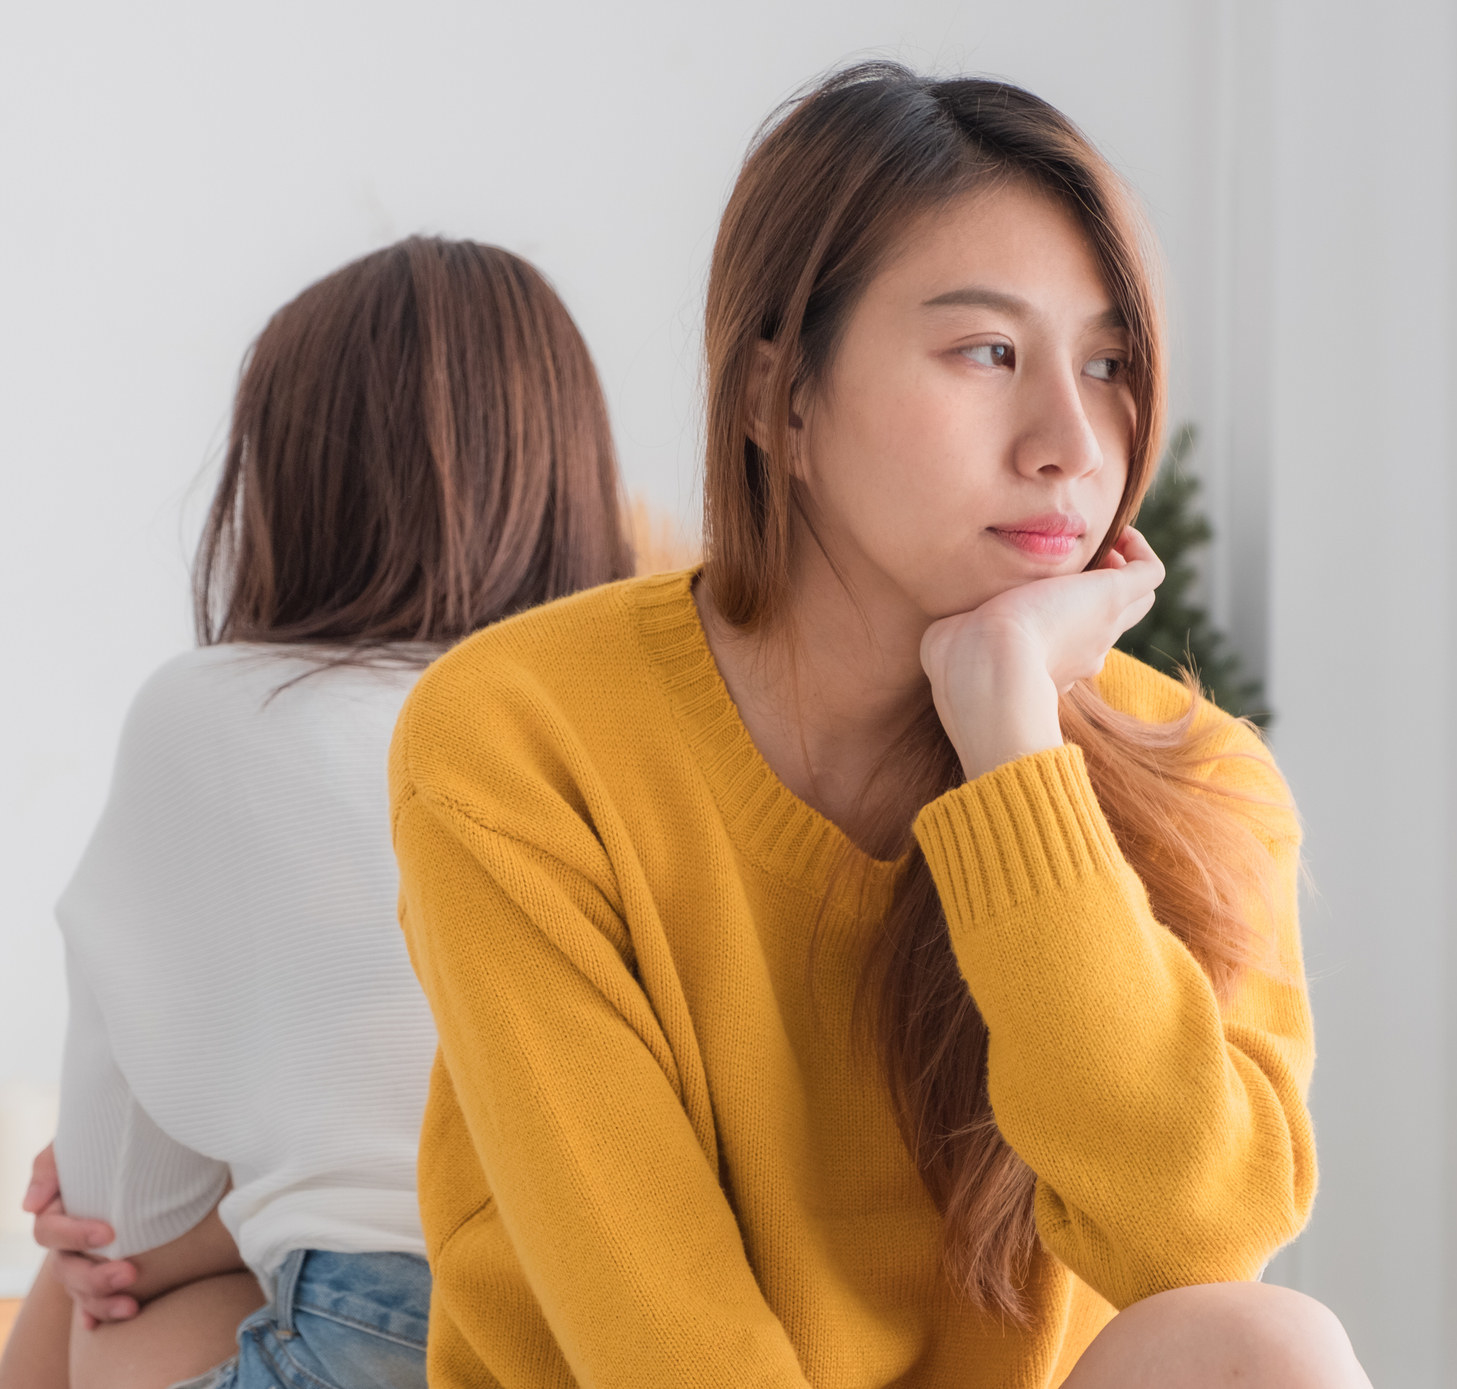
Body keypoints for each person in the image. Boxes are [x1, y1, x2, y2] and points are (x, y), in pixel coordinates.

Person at [388, 64, 1371, 1388]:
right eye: (984, 352)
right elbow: (662, 1346)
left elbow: (1194, 1241)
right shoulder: (522, 738)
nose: (1069, 442)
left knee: (1267, 1343)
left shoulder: (1201, 775)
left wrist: (1016, 758)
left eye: (1109, 363)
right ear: (777, 398)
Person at [0, 234, 631, 1389]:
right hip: (609, 1332)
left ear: (286, 477)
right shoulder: (638, 730)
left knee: (93, 1300)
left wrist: (146, 1210)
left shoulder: (226, 710)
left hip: (382, 1330)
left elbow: (118, 1215)